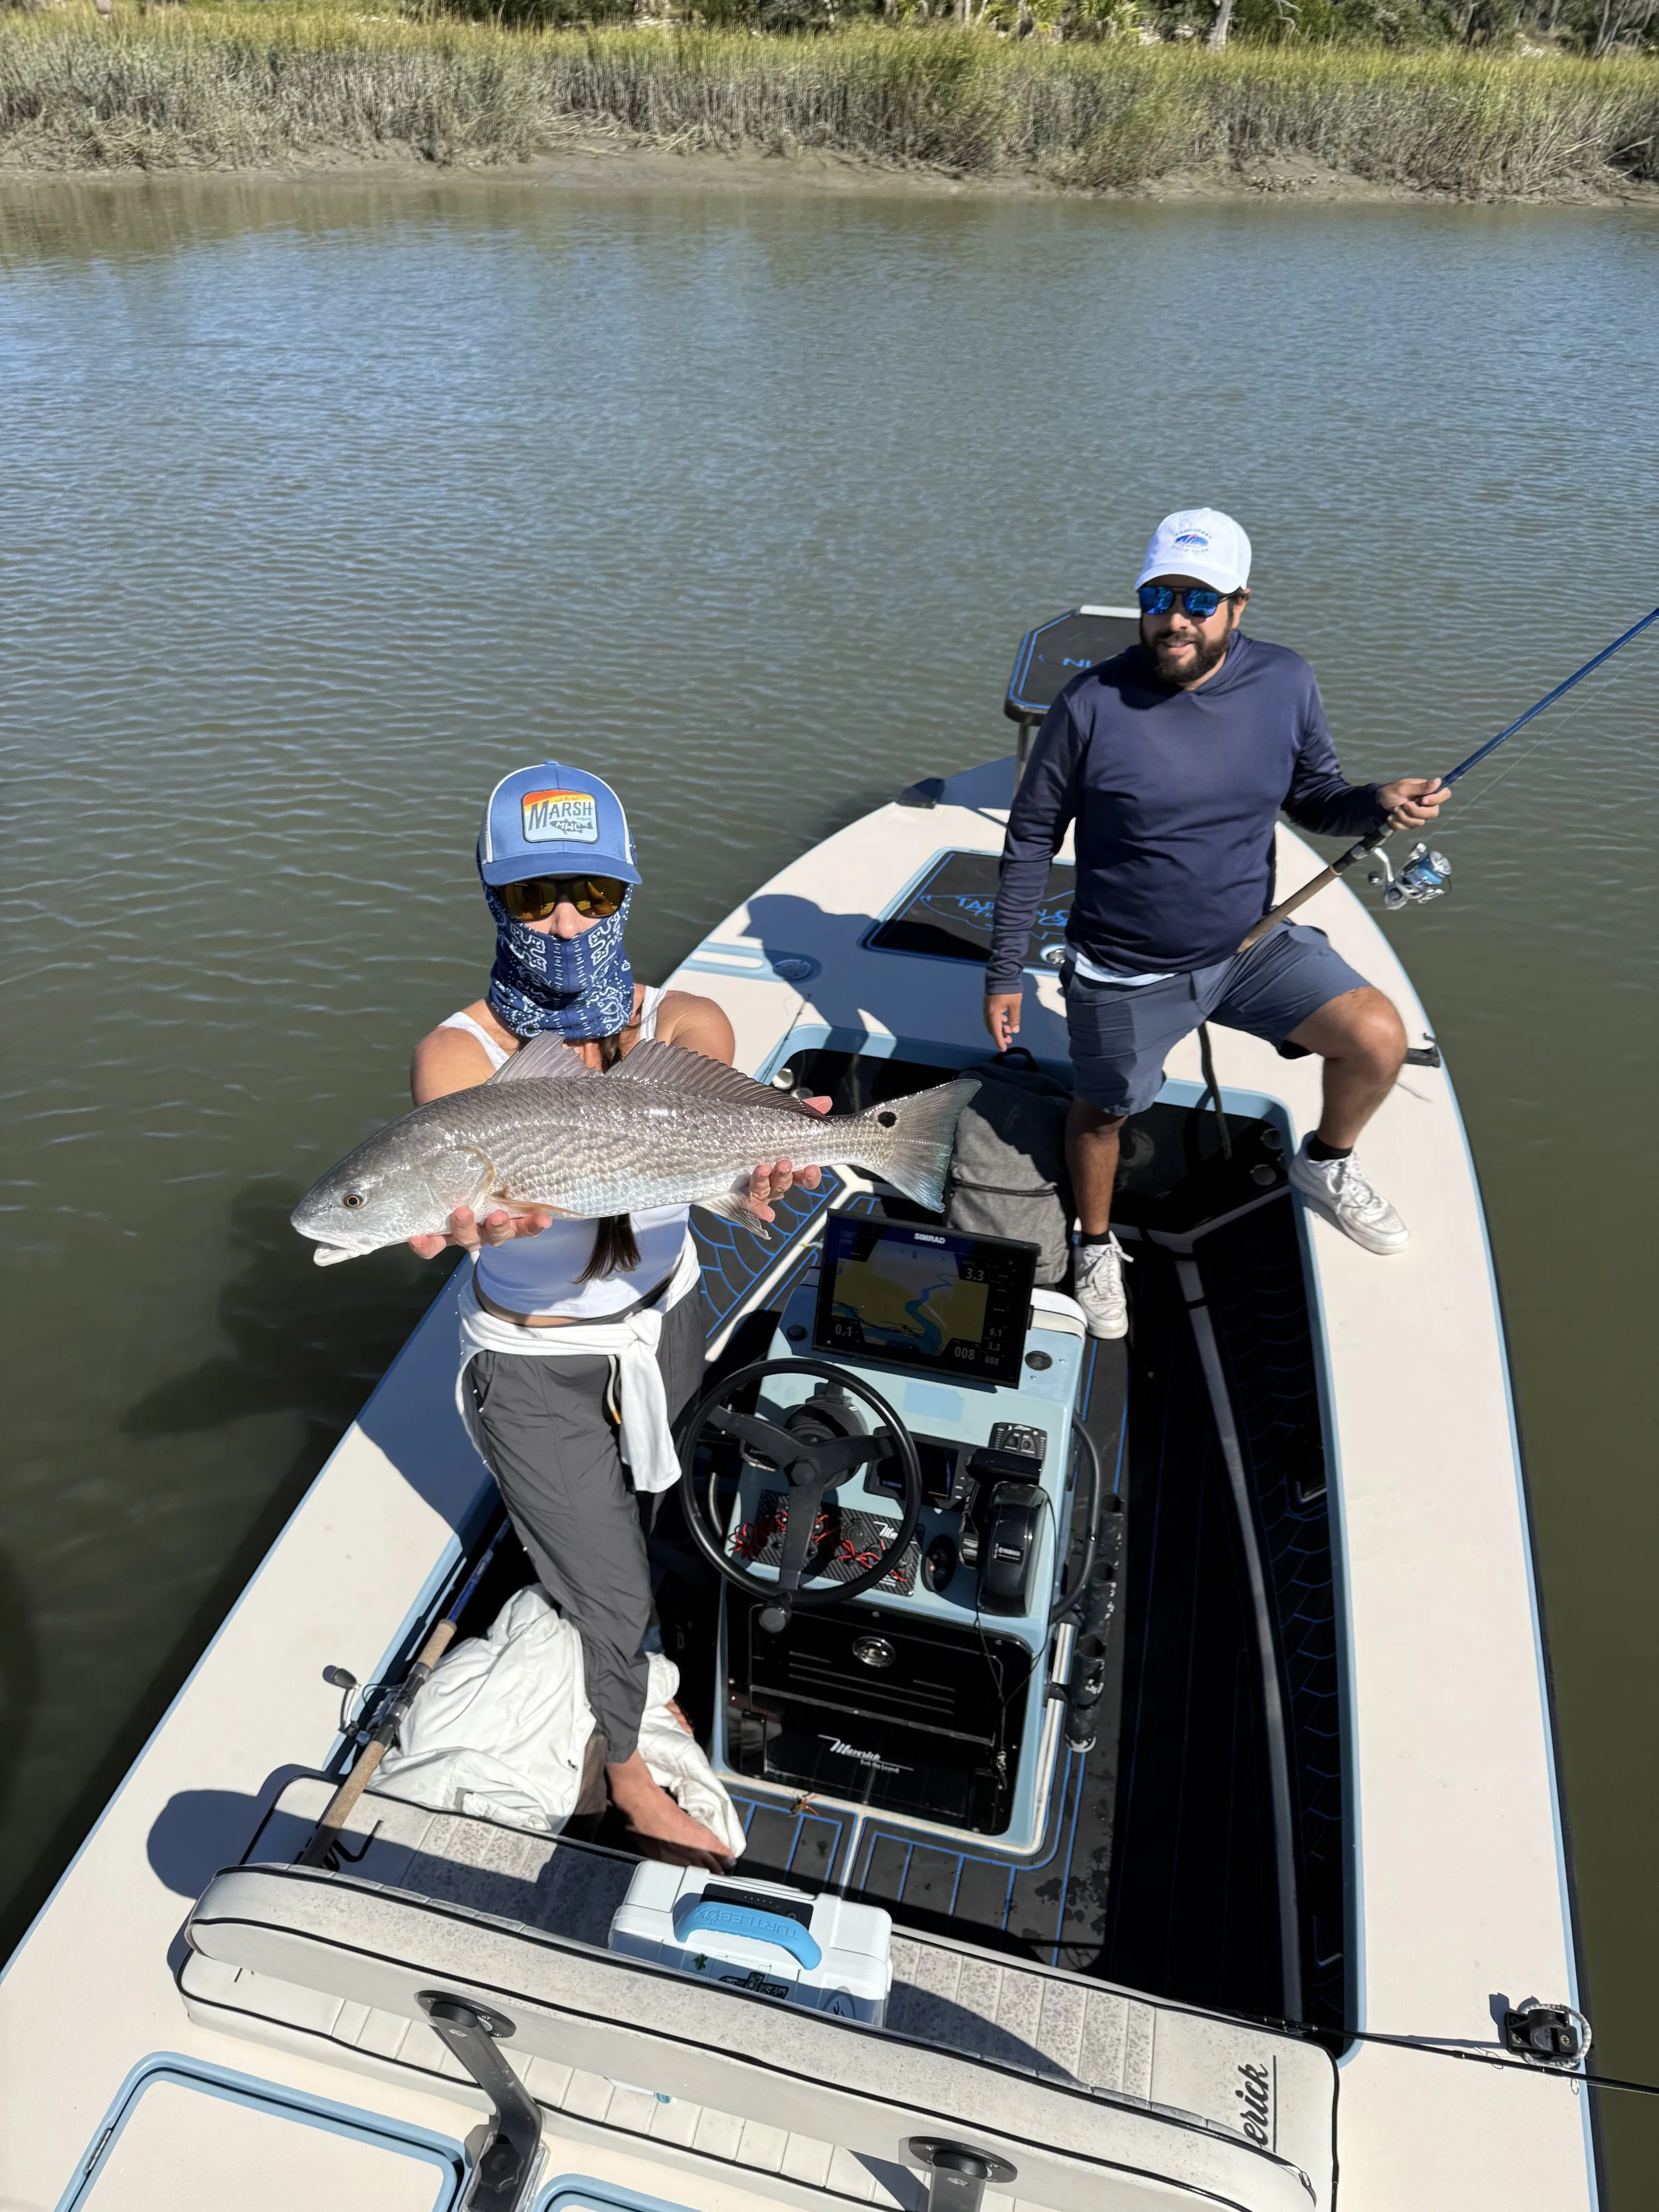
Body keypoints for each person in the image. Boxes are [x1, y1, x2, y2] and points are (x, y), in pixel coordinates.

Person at [409, 762, 826, 1866]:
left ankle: (624, 1677)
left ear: (627, 892)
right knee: (609, 1571)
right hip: (536, 1363)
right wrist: (482, 1217)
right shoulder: (461, 1055)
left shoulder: (688, 1020)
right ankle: (634, 1770)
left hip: (666, 1322)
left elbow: (710, 1158)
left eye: (589, 893)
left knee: (648, 1521)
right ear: (492, 898)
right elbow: (479, 1181)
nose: (560, 918)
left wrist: (766, 1158)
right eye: (531, 893)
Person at [983, 508, 1447, 1341]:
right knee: (1104, 1112)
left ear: (1240, 605)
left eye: (1199, 601)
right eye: (1158, 596)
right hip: (1126, 968)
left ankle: (1325, 1165)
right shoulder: (1090, 702)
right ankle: (1094, 1247)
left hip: (1247, 950)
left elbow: (1314, 799)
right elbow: (1028, 839)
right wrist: (1004, 969)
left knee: (1376, 1035)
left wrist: (1375, 799)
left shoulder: (1286, 682)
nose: (1175, 619)